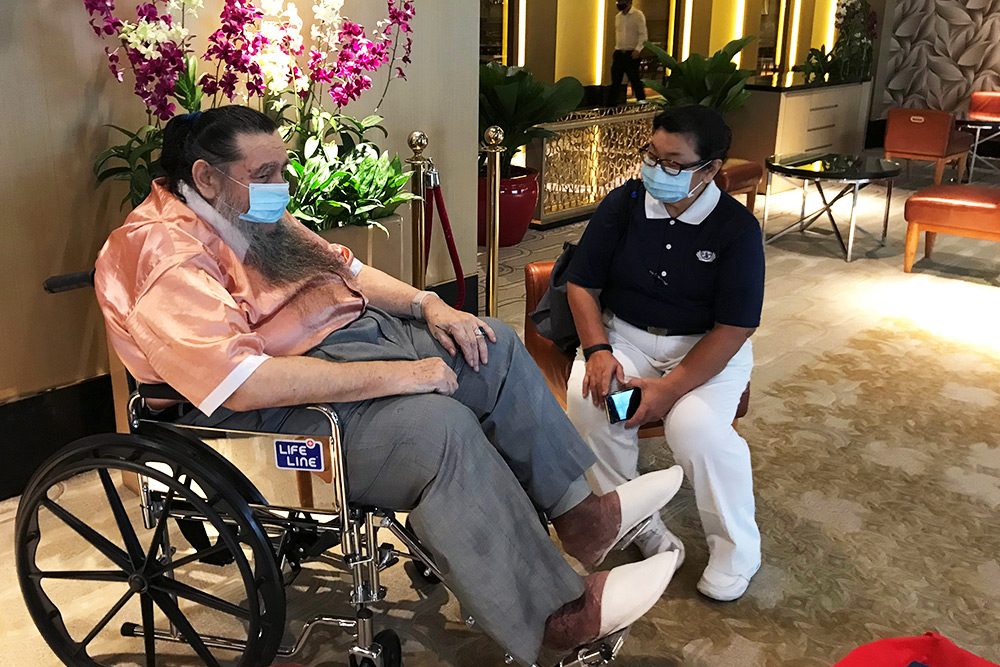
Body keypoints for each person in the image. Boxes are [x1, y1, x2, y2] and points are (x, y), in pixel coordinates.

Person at [93, 105, 686, 666]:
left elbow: (346, 269)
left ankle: (584, 518)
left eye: (282, 168)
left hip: (350, 342)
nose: (281, 185)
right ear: (205, 176)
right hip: (261, 412)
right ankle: (556, 615)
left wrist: (431, 305)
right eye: (264, 173)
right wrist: (403, 375)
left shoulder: (248, 210)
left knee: (493, 345)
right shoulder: (162, 254)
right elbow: (243, 382)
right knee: (439, 430)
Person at [564, 105, 765, 602]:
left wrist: (671, 389)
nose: (656, 169)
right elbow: (582, 284)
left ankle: (737, 548)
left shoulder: (736, 228)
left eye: (674, 163)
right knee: (596, 403)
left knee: (693, 428)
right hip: (627, 341)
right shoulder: (626, 203)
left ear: (710, 169)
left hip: (704, 352)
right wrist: (598, 350)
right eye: (652, 155)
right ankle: (638, 524)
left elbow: (735, 326)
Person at [607, 0, 648, 106]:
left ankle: (641, 102)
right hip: (619, 52)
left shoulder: (638, 15)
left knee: (635, 79)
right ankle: (610, 105)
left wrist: (638, 49)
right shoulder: (618, 17)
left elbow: (643, 34)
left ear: (629, 3)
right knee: (615, 81)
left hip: (631, 54)